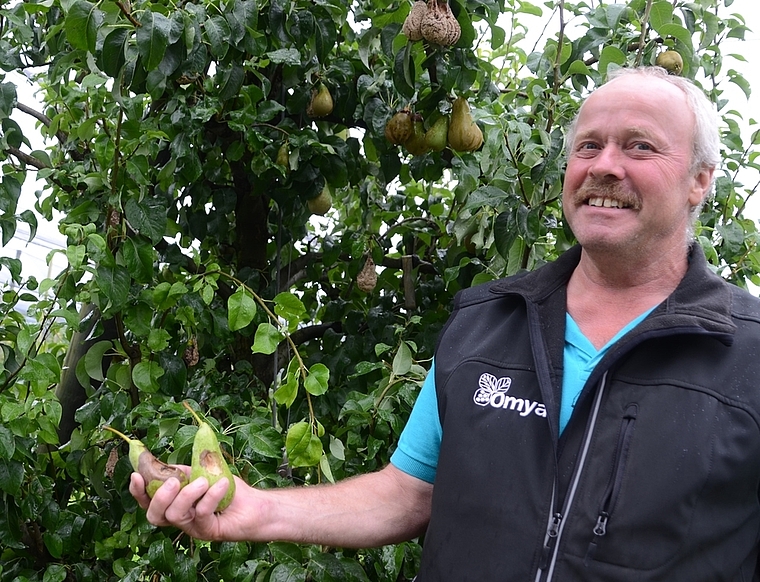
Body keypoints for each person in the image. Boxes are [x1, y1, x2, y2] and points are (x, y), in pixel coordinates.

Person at [132, 66, 760, 580]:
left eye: (640, 146)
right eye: (587, 145)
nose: (604, 166)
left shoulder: (749, 352)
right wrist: (254, 511)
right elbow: (409, 492)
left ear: (700, 180)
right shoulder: (486, 325)